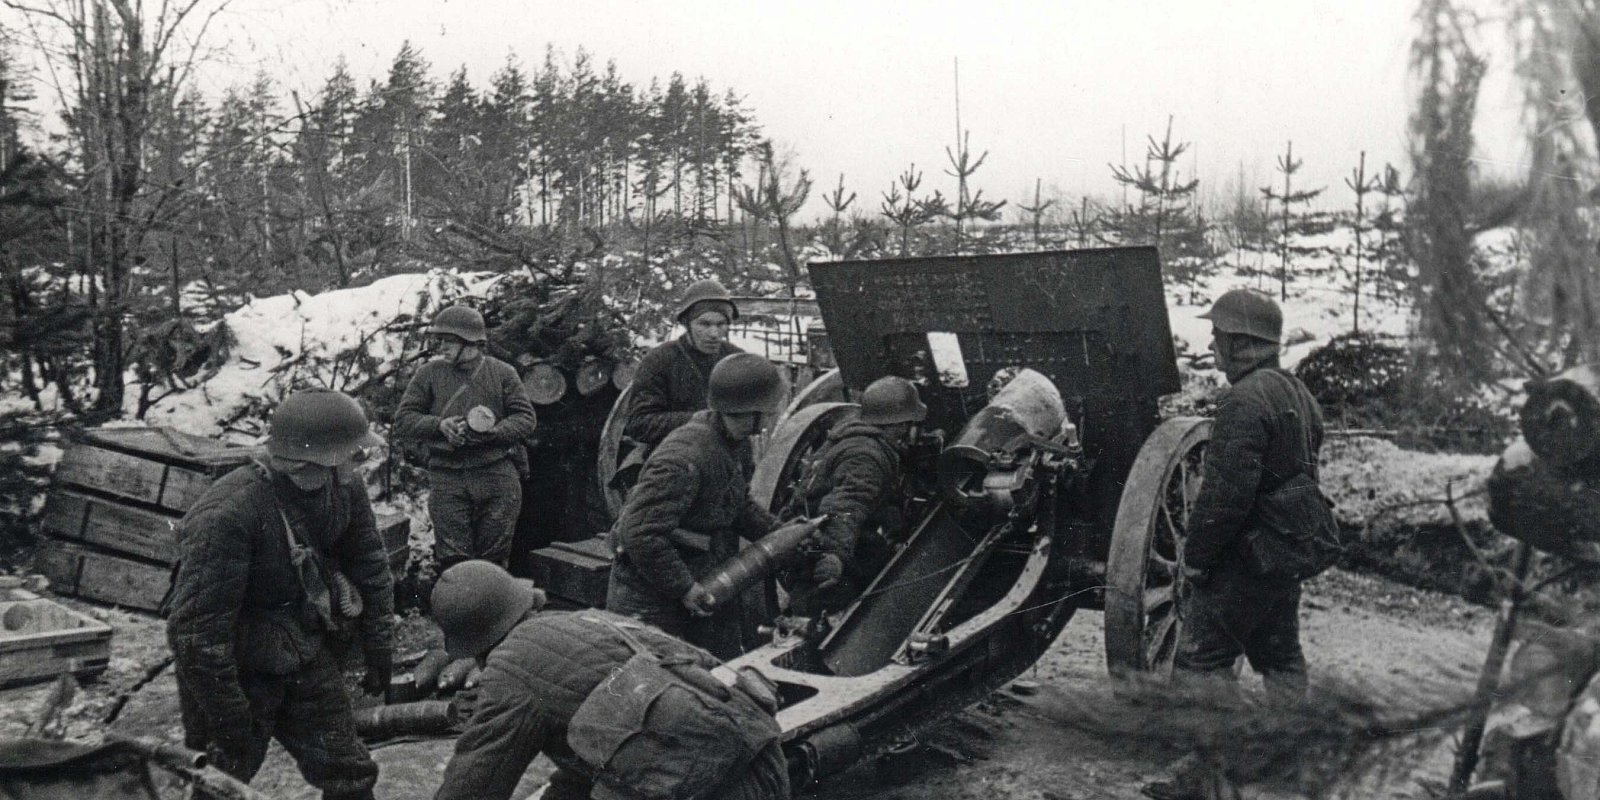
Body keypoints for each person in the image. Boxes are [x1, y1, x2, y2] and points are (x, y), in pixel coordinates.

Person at [1142, 289, 1327, 800]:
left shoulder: (1243, 402)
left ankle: (1208, 779)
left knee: (1199, 669)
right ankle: (1287, 767)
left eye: (1219, 335)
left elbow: (1225, 498)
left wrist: (1197, 562)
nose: (1213, 343)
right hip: (1283, 556)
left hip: (1243, 562)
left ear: (1242, 342)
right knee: (1282, 660)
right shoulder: (1296, 393)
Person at [166, 388, 395, 800]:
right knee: (221, 784)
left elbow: (370, 563)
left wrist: (378, 644)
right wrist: (229, 717)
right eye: (350, 455)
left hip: (301, 648)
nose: (356, 465)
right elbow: (196, 633)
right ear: (314, 460)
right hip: (234, 669)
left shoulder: (342, 488)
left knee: (351, 771)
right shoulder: (228, 514)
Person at [430, 561, 790, 800]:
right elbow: (606, 748)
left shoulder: (510, 670)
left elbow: (473, 784)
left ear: (474, 642)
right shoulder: (590, 620)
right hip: (767, 764)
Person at [607, 352, 790, 659]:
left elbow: (736, 504)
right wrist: (685, 588)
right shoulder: (685, 457)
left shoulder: (731, 443)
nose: (772, 417)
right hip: (653, 598)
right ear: (750, 411)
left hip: (695, 582)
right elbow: (638, 533)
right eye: (769, 411)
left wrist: (779, 532)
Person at [394, 303, 538, 571]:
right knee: (454, 561)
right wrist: (441, 426)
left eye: (448, 341)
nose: (442, 348)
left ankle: (493, 610)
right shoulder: (429, 374)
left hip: (496, 475)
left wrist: (494, 433)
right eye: (440, 341)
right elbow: (404, 419)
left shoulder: (502, 373)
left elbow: (526, 419)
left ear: (470, 342)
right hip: (448, 478)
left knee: (493, 561)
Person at [780, 375, 926, 615]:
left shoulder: (853, 436)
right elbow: (846, 507)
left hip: (814, 537)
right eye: (911, 423)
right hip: (828, 552)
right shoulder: (865, 458)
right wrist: (835, 556)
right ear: (900, 425)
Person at [614, 279, 745, 489]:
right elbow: (639, 424)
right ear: (687, 324)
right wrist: (702, 420)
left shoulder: (736, 359)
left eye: (721, 325)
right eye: (704, 324)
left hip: (727, 467)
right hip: (672, 465)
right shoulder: (660, 360)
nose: (714, 333)